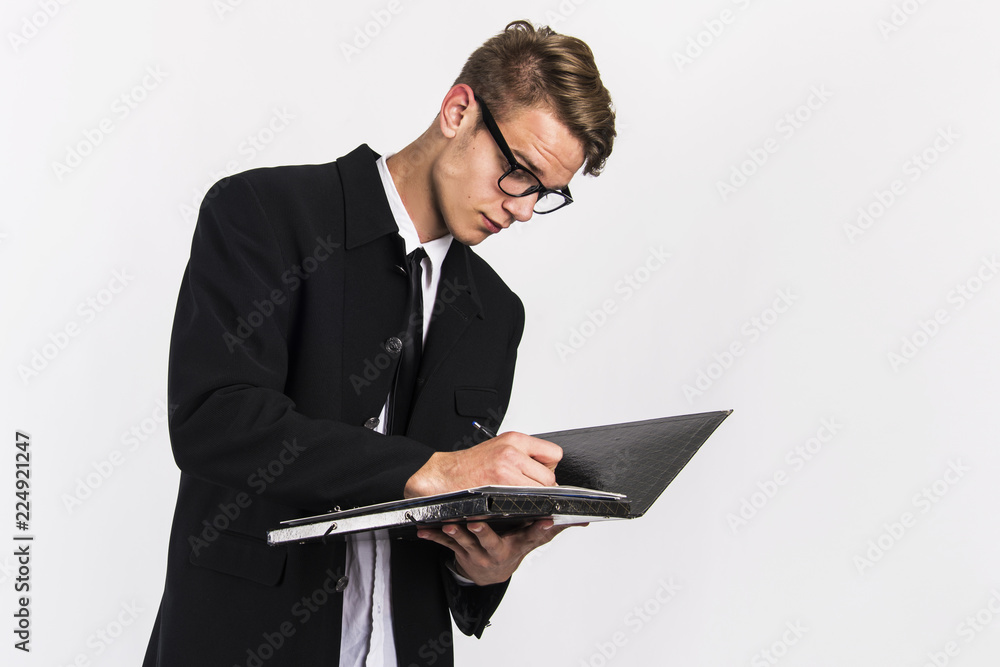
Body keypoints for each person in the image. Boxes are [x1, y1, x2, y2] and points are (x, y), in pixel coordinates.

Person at [143, 19, 615, 667]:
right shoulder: (262, 211)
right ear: (458, 111)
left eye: (547, 193)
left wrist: (485, 567)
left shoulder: (496, 313)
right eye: (519, 172)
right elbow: (214, 420)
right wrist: (436, 469)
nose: (524, 208)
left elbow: (443, 529)